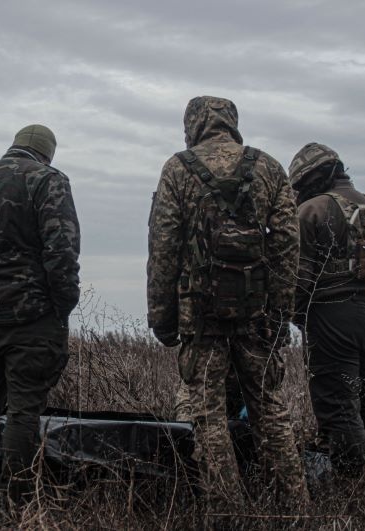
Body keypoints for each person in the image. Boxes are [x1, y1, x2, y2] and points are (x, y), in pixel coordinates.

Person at [147, 96, 309, 512]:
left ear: (193, 124)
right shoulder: (270, 167)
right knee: (270, 409)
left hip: (200, 315)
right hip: (258, 315)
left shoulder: (178, 168)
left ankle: (228, 513)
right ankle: (298, 512)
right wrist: (280, 314)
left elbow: (163, 247)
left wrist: (161, 318)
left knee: (208, 415)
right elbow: (289, 246)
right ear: (231, 123)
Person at [0, 124, 80, 501]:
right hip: (33, 319)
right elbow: (62, 249)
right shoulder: (49, 180)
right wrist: (62, 305)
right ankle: (17, 499)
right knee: (24, 411)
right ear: (46, 152)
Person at [289, 142, 365, 477]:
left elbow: (298, 282)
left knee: (338, 406)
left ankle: (351, 489)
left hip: (336, 320)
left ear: (309, 180)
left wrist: (294, 320)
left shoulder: (310, 211)